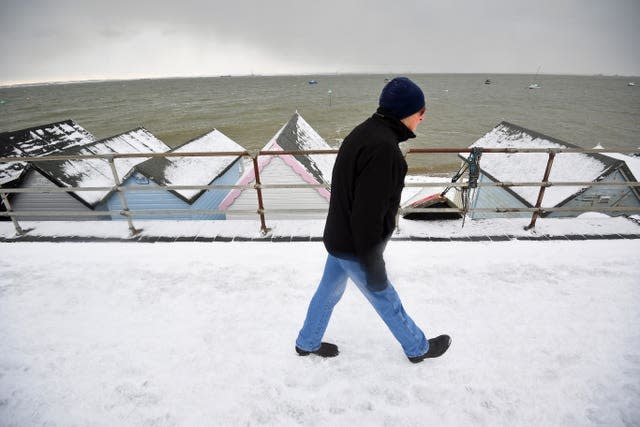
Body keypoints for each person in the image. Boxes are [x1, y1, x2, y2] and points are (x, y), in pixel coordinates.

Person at [295, 77, 451, 363]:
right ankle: (417, 348)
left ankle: (307, 342)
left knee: (327, 293)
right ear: (407, 112)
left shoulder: (362, 133)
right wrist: (373, 264)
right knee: (386, 299)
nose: (423, 118)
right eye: (421, 112)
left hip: (338, 238)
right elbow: (367, 217)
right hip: (355, 246)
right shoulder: (385, 151)